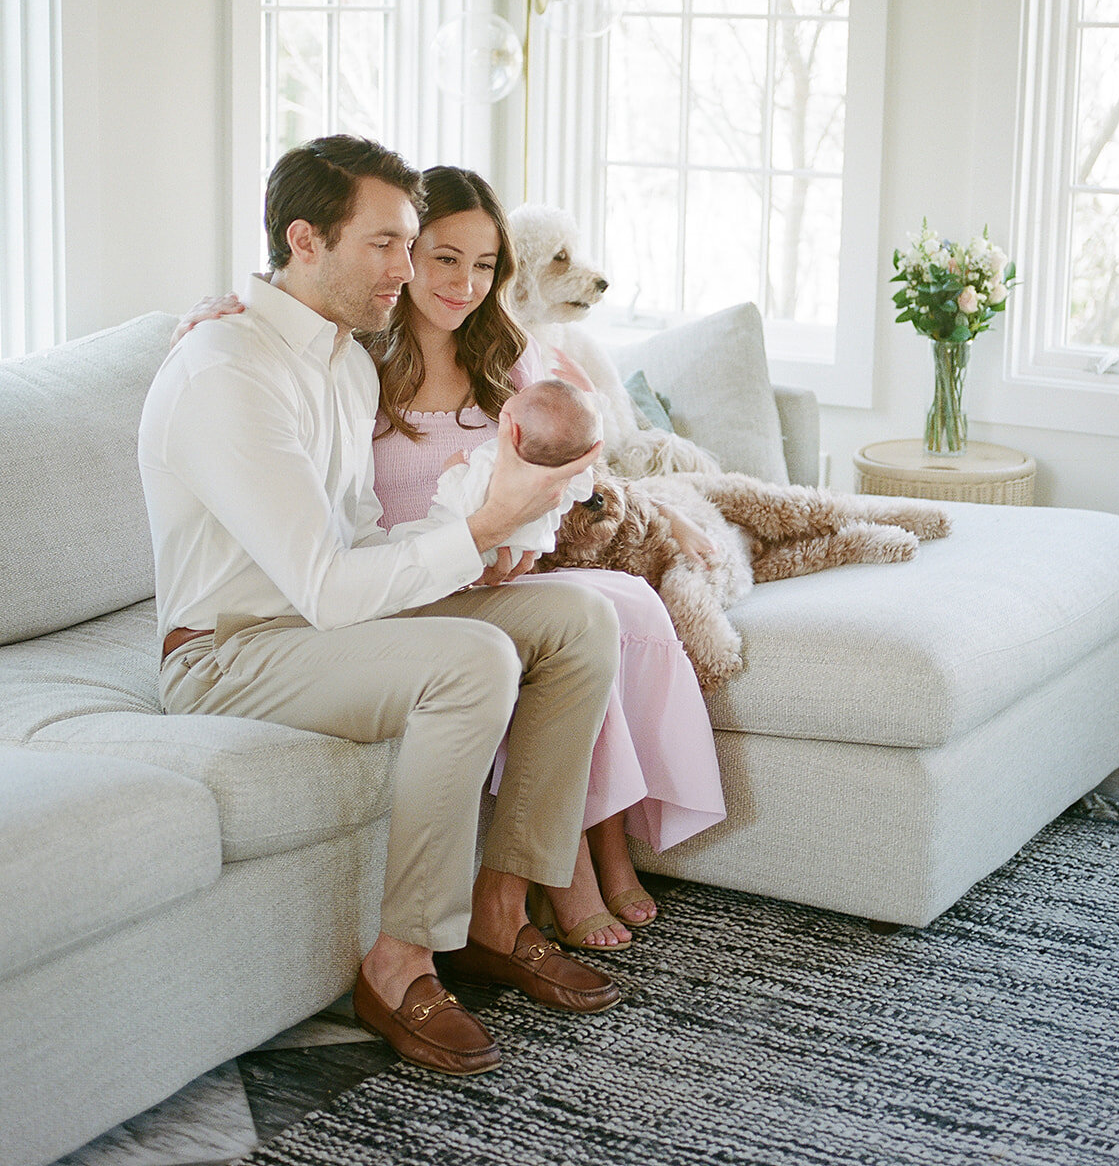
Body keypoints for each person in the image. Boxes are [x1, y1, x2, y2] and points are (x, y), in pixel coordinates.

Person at [140, 135, 626, 1081]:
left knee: (577, 620)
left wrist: (474, 552)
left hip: (325, 628)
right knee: (473, 661)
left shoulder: (348, 364)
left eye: (414, 243)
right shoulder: (227, 370)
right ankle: (400, 961)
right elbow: (320, 586)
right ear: (304, 241)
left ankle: (499, 910)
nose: (408, 269)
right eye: (386, 245)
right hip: (230, 652)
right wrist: (481, 522)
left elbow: (358, 542)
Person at [177, 162, 726, 953]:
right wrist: (217, 310)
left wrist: (514, 538)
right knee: (490, 654)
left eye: (483, 265)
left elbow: (562, 468)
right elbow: (331, 575)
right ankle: (462, 928)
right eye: (425, 254)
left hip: (438, 565)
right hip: (346, 601)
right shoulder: (335, 358)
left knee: (593, 614)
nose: (449, 279)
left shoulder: (445, 361)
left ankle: (525, 893)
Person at [430, 378, 600, 569]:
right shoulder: (567, 474)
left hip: (475, 552)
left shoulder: (493, 460)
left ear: (514, 432)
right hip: (523, 550)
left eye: (520, 395)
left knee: (406, 541)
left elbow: (462, 504)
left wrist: (453, 471)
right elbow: (584, 485)